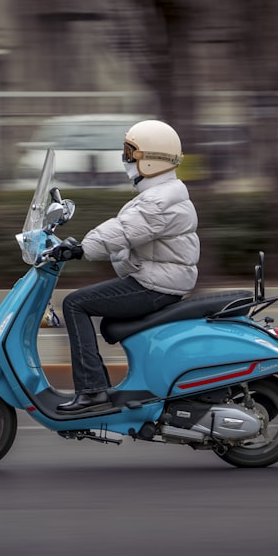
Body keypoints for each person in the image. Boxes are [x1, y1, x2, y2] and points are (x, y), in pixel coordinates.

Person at [49, 120, 200, 414]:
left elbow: (124, 230)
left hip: (156, 285)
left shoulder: (159, 201)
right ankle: (97, 388)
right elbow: (127, 232)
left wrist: (81, 248)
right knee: (90, 308)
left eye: (130, 153)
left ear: (151, 160)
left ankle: (92, 391)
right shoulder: (163, 194)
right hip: (158, 280)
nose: (124, 160)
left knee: (74, 304)